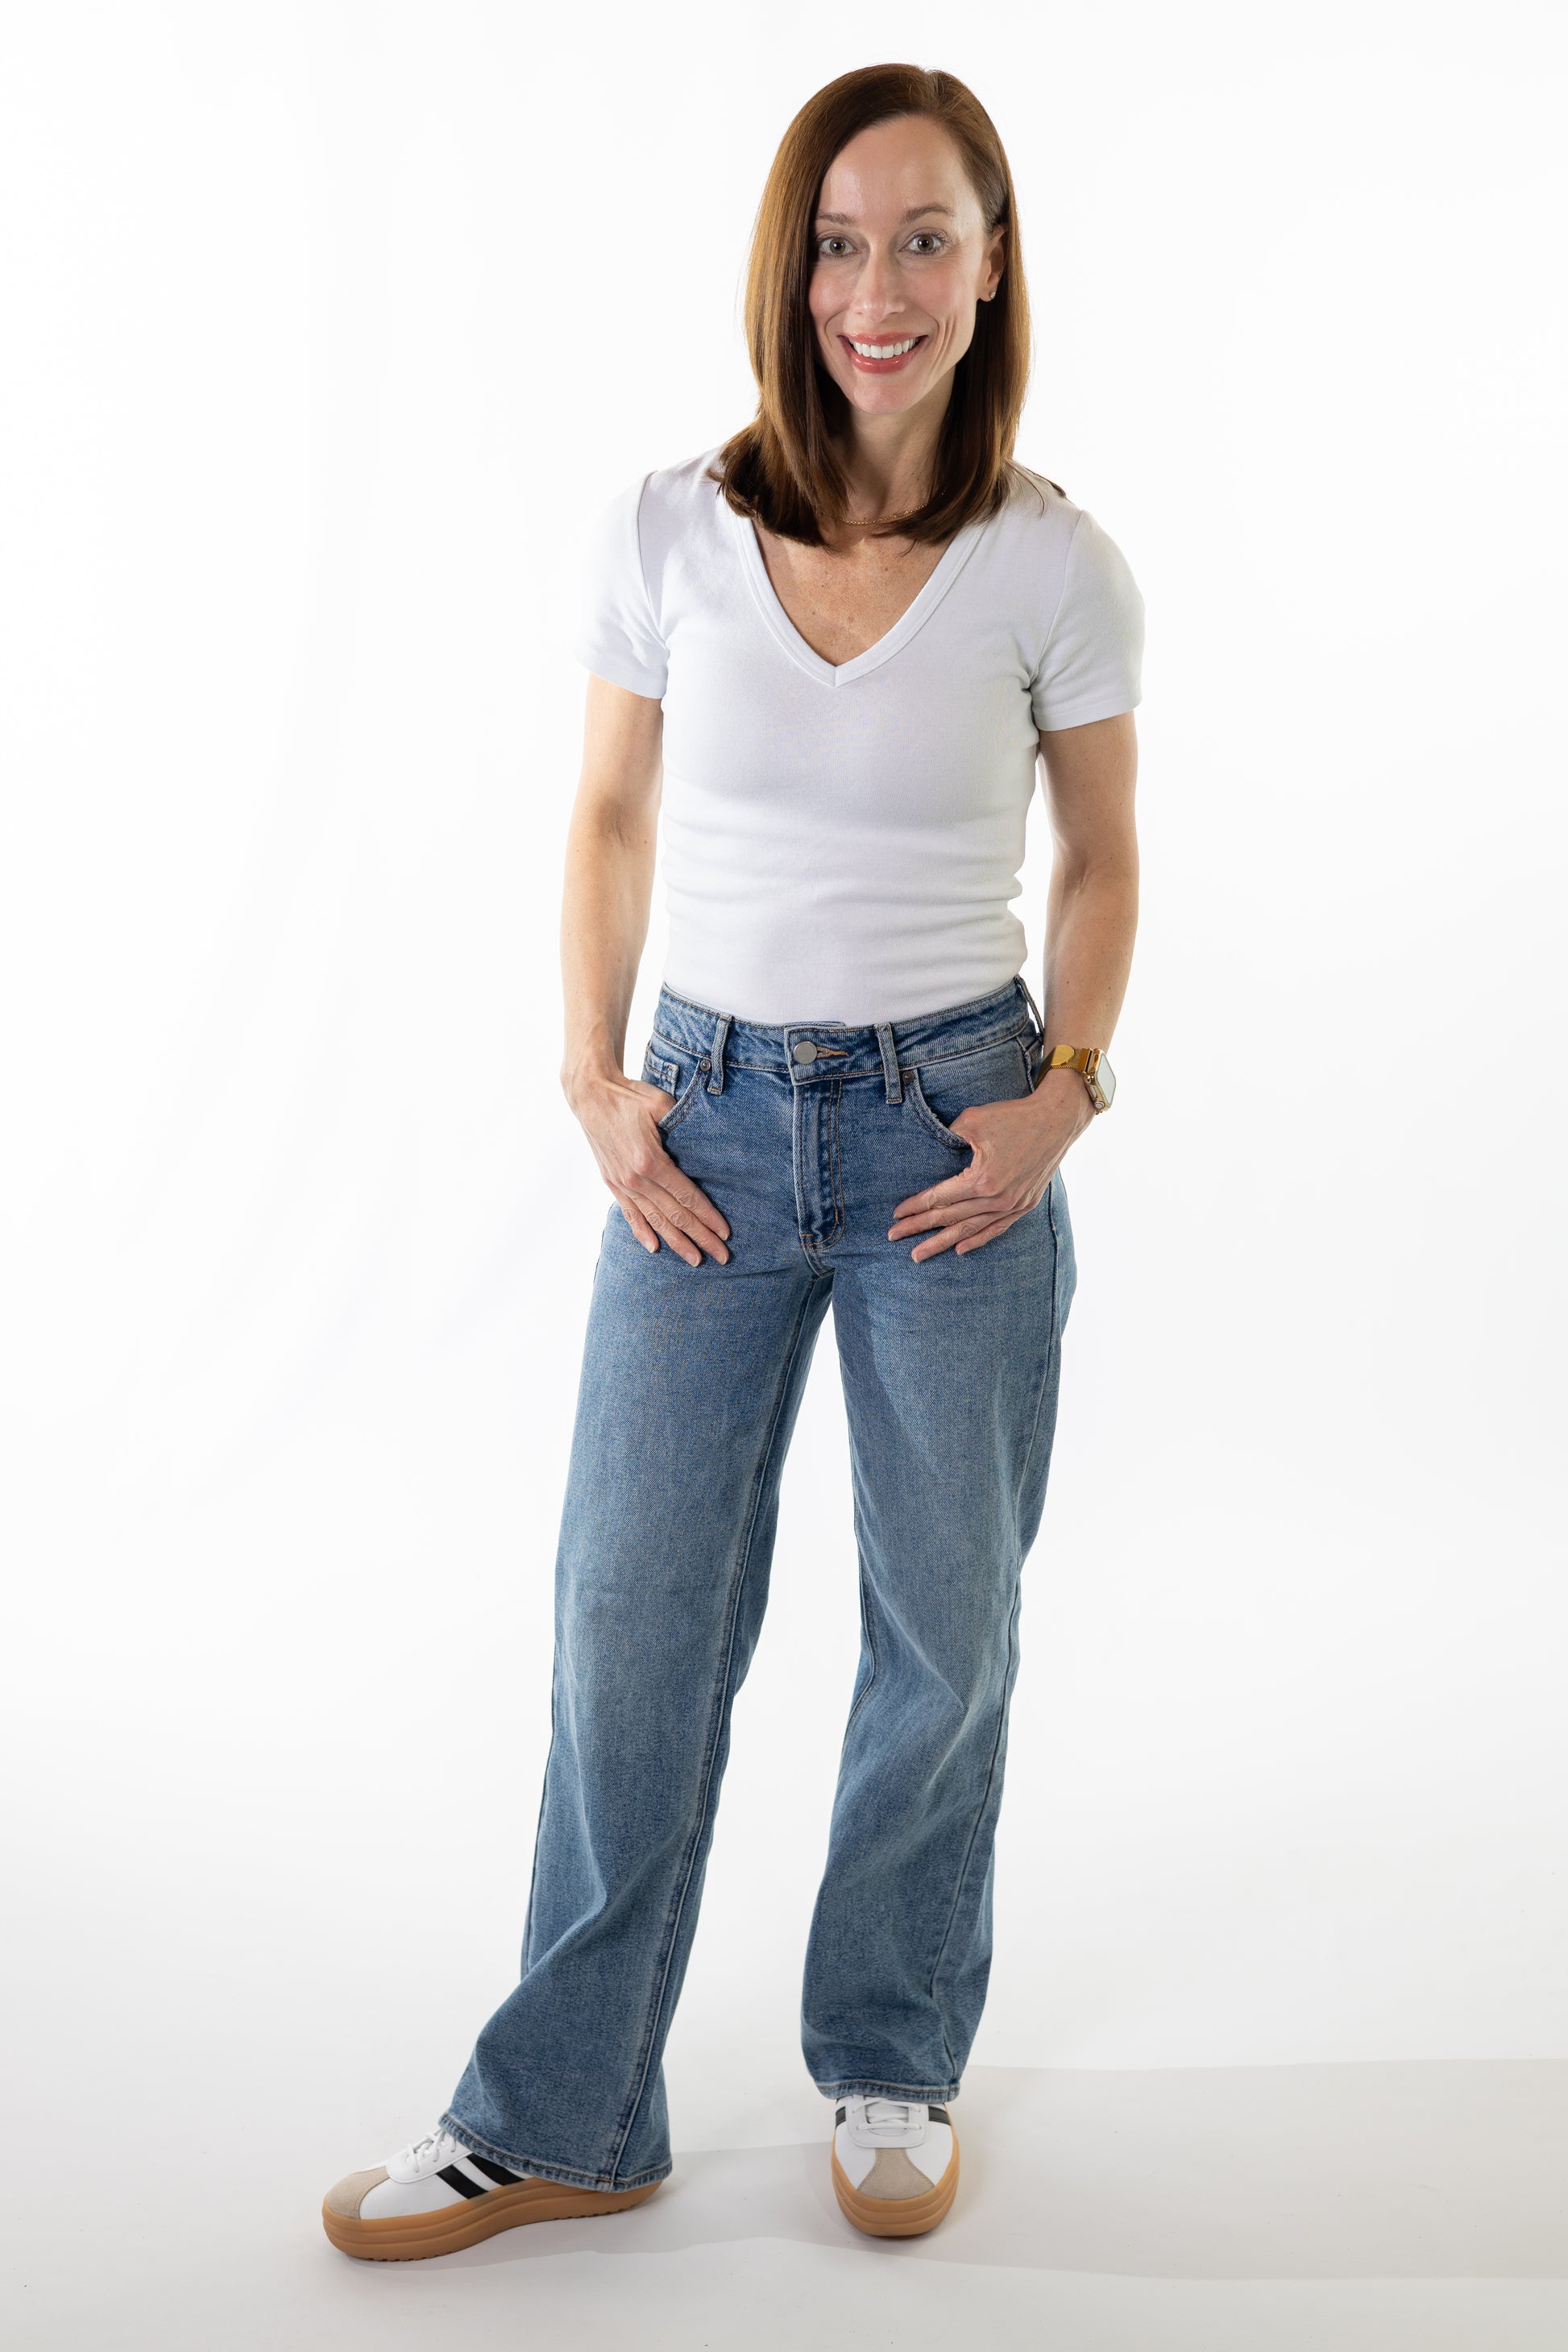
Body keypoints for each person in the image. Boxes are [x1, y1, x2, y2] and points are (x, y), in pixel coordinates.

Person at [322, 60, 1143, 2262]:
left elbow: (1098, 855)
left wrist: (1064, 1085)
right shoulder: (665, 529)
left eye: (926, 238)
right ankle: (570, 2110)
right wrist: (593, 1084)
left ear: (989, 268)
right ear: (789, 267)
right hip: (698, 1124)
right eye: (840, 238)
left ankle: (889, 2049)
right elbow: (605, 821)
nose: (878, 286)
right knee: (629, 1617)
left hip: (946, 1133)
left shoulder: (1052, 558)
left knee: (939, 1622)